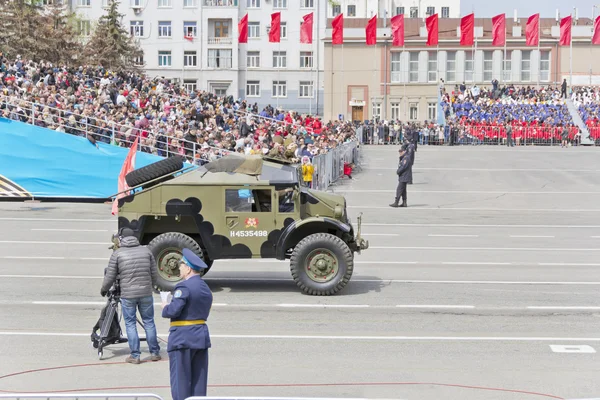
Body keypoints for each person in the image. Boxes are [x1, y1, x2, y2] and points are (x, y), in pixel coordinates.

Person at [100, 227, 160, 364]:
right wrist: (154, 286)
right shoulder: (146, 251)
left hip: (128, 295)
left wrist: (104, 289)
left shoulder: (118, 254)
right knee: (149, 322)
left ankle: (135, 355)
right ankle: (155, 352)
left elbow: (110, 275)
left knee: (130, 323)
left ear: (121, 238)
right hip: (146, 293)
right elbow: (154, 273)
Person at [162, 248, 213, 400]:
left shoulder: (183, 287)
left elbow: (172, 311)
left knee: (181, 382)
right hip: (200, 336)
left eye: (182, 265)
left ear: (189, 268)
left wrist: (165, 305)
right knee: (199, 382)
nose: (179, 267)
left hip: (182, 338)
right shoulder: (205, 288)